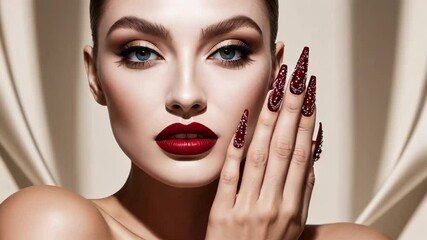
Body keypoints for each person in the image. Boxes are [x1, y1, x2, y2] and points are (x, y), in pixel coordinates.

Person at [0, 0, 391, 239]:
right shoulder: (49, 226)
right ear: (94, 76)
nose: (186, 96)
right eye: (140, 53)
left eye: (228, 52)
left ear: (275, 73)